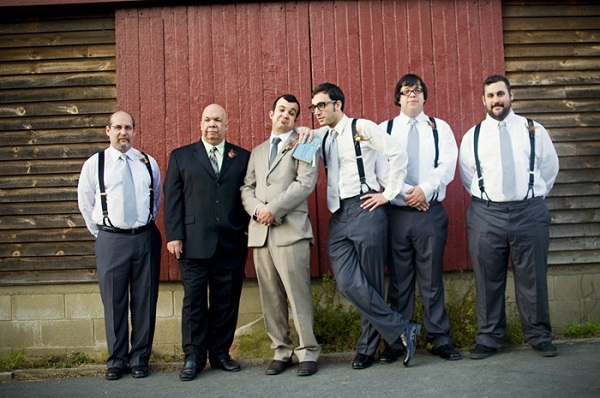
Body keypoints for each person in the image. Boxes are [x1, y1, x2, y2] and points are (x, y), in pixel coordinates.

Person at [303, 82, 421, 369]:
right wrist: (302, 134)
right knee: (348, 282)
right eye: (313, 107)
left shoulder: (362, 127)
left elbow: (398, 155)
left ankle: (366, 349)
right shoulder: (320, 136)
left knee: (370, 283)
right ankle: (403, 328)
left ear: (338, 105)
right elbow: (298, 151)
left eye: (322, 105)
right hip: (339, 214)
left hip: (366, 208)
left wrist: (388, 194)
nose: (316, 111)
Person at [458, 74, 560, 359]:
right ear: (484, 100)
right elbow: (469, 177)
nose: (496, 100)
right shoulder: (473, 135)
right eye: (490, 96)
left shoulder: (533, 130)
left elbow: (549, 169)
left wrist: (528, 196)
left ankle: (539, 336)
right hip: (487, 214)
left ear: (511, 96)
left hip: (529, 212)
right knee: (487, 279)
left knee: (533, 278)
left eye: (500, 94)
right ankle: (489, 338)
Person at [163, 104, 250, 381]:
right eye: (207, 120)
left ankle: (220, 353)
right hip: (193, 243)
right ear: (200, 124)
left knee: (226, 301)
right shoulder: (181, 156)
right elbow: (173, 199)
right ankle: (193, 357)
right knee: (195, 302)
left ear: (227, 124)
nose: (212, 124)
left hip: (231, 242)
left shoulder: (242, 157)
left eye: (218, 120)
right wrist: (175, 235)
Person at [378, 74, 461, 363]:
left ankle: (439, 338)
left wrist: (424, 190)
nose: (411, 95)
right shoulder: (384, 129)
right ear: (397, 98)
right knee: (399, 282)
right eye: (405, 91)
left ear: (424, 96)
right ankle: (398, 340)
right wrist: (405, 193)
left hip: (430, 214)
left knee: (431, 278)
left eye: (417, 91)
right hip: (397, 214)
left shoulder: (440, 128)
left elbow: (447, 164)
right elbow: (380, 169)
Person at [77, 111, 162, 380]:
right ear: (108, 131)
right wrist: (104, 234)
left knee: (144, 300)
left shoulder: (147, 162)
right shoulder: (95, 163)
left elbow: (156, 198)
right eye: (117, 127)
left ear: (134, 131)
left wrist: (142, 226)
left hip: (145, 237)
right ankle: (116, 360)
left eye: (128, 128)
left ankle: (139, 359)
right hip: (111, 239)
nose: (123, 132)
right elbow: (85, 202)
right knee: (113, 300)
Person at [241, 94, 321, 377]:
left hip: (290, 232)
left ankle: (308, 352)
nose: (286, 115)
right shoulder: (258, 151)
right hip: (260, 235)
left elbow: (304, 183)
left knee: (297, 296)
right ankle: (281, 351)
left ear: (296, 119)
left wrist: (273, 209)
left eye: (292, 112)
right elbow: (246, 188)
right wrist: (258, 210)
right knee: (271, 297)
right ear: (271, 114)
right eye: (282, 110)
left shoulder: (305, 142)